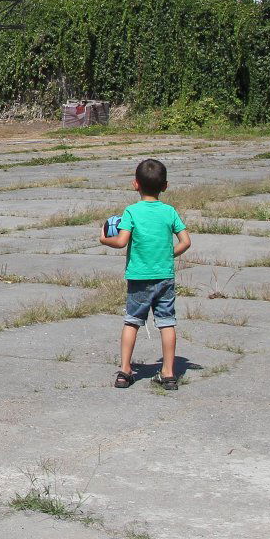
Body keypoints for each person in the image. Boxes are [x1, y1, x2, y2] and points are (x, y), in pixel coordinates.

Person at [100, 158, 191, 390]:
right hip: (164, 277)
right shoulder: (169, 211)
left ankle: (125, 370)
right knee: (167, 323)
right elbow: (186, 241)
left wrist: (103, 238)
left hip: (139, 277)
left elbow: (121, 242)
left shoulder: (131, 211)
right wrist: (167, 254)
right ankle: (169, 373)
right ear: (165, 186)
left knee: (132, 322)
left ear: (135, 184)